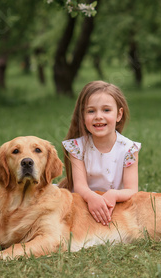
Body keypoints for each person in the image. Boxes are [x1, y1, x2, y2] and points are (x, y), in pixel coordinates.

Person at [60, 81, 141, 226]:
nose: (98, 116)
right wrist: (92, 198)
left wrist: (114, 194)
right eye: (91, 111)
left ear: (119, 114)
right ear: (83, 116)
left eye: (106, 110)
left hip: (114, 204)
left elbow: (132, 189)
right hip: (83, 202)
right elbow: (80, 187)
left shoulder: (128, 149)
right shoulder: (77, 147)